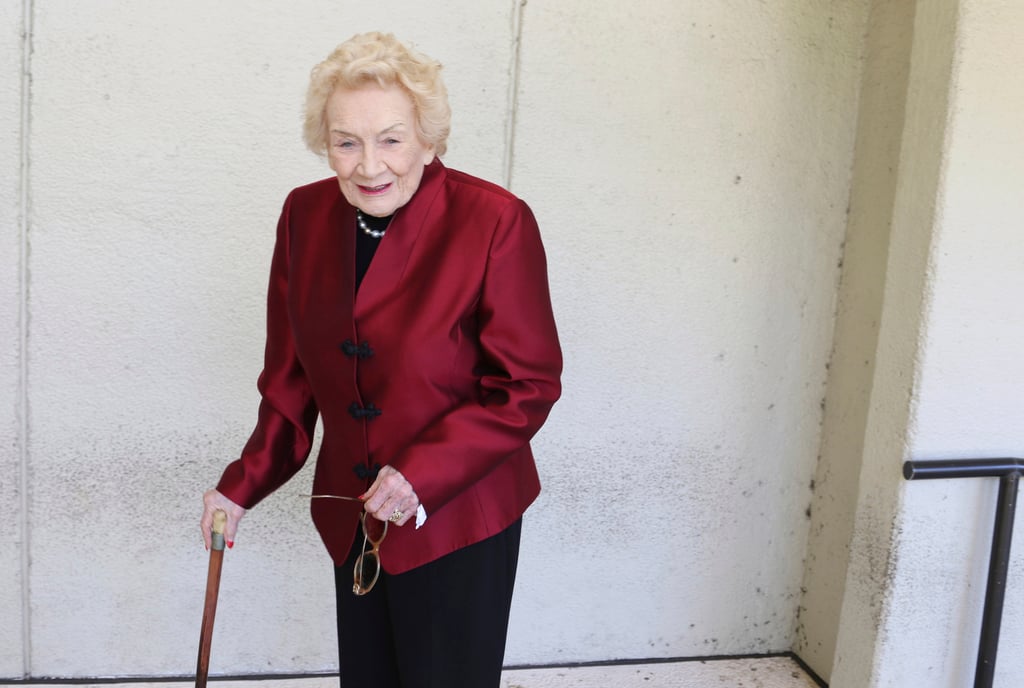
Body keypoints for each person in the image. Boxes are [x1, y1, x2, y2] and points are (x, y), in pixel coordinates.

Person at [199, 31, 562, 687]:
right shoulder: (303, 216)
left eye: (391, 138)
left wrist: (421, 473)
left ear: (429, 140)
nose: (369, 165)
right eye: (347, 141)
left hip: (457, 519)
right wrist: (242, 483)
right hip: (354, 516)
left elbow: (526, 386)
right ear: (326, 143)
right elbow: (290, 382)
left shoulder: (495, 223)